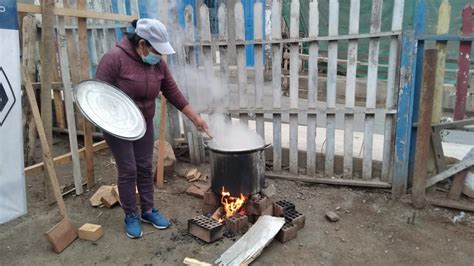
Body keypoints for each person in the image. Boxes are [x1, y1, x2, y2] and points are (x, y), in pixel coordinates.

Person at [95, 18, 208, 239]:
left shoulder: (158, 65)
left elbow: (173, 92)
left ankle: (147, 211)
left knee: (145, 167)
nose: (160, 56)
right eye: (157, 50)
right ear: (143, 44)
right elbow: (98, 95)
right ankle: (131, 215)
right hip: (118, 127)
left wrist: (195, 119)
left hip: (144, 124)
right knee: (128, 170)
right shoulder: (114, 59)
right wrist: (111, 119)